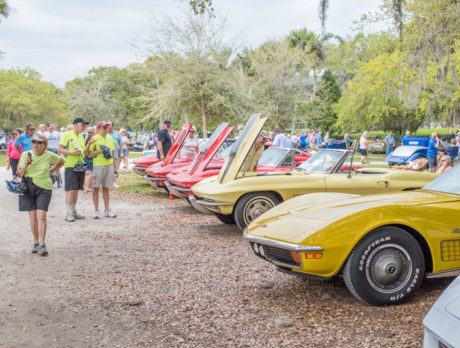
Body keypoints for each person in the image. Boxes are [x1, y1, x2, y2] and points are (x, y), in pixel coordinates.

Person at [16, 134, 65, 256]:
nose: (36, 145)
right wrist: (26, 164)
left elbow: (62, 161)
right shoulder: (25, 154)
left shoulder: (49, 155)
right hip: (28, 186)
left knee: (41, 215)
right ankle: (36, 242)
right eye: (34, 142)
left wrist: (51, 170)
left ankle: (42, 244)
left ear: (44, 145)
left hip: (44, 187)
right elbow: (20, 175)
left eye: (39, 142)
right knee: (32, 217)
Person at [58, 117, 89, 222]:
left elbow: (83, 151)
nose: (84, 127)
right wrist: (71, 153)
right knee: (70, 189)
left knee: (76, 189)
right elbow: (59, 149)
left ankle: (73, 211)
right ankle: (68, 213)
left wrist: (89, 145)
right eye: (82, 125)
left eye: (85, 125)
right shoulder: (67, 134)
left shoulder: (81, 136)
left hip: (80, 165)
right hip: (70, 165)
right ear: (76, 124)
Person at [88, 121, 117, 219]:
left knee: (106, 188)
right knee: (96, 188)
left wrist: (116, 167)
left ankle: (107, 210)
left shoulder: (110, 138)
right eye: (104, 128)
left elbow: (112, 153)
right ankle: (96, 210)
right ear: (99, 129)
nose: (106, 130)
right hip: (98, 166)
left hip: (109, 165)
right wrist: (101, 151)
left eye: (107, 128)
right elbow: (89, 154)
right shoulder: (94, 139)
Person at [84, 127, 96, 192]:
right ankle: (89, 187)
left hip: (86, 157)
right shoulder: (92, 139)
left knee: (89, 172)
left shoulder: (86, 138)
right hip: (90, 157)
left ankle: (88, 186)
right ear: (93, 132)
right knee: (91, 172)